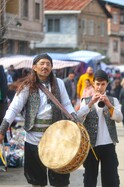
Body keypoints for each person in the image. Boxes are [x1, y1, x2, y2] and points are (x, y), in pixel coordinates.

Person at [0, 54, 77, 187]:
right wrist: (2, 129)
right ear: (34, 67)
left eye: (48, 64)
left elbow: (67, 104)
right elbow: (13, 109)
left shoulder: (59, 83)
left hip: (57, 138)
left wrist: (75, 119)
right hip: (33, 139)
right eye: (42, 63)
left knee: (60, 180)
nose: (45, 66)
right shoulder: (27, 86)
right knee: (36, 181)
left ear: (52, 67)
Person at [77, 69, 123, 187]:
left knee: (111, 179)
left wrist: (109, 104)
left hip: (108, 145)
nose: (100, 87)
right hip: (91, 146)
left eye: (103, 84)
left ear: (107, 84)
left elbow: (119, 118)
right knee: (89, 179)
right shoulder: (86, 101)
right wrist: (90, 103)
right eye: (97, 84)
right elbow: (78, 118)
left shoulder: (114, 100)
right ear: (94, 84)